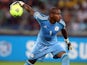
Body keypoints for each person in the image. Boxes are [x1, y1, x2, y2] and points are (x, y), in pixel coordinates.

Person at [15, 1, 72, 65]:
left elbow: (63, 31)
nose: (60, 16)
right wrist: (21, 3)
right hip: (41, 45)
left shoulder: (61, 23)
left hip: (53, 44)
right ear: (51, 15)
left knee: (65, 56)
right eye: (58, 14)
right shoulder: (42, 19)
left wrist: (67, 42)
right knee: (30, 62)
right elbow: (30, 10)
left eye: (60, 14)